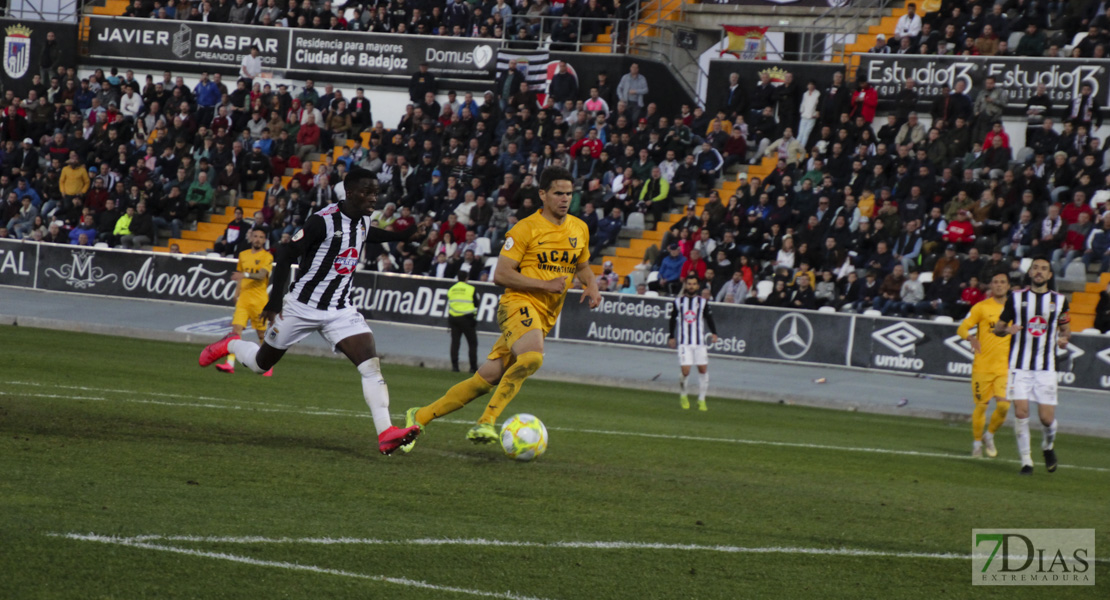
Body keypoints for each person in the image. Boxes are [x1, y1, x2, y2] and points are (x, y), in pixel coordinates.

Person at [197, 168, 423, 456]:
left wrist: (403, 234)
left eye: (376, 192)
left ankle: (386, 432)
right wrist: (275, 301)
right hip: (301, 306)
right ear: (350, 192)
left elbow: (369, 233)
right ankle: (230, 343)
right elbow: (285, 254)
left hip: (340, 309)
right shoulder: (321, 221)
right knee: (259, 364)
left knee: (370, 365)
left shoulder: (363, 219)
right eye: (368, 192)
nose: (373, 198)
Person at [401, 167, 601, 451]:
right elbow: (501, 275)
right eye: (558, 193)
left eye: (569, 193)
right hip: (517, 303)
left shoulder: (579, 228)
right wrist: (545, 286)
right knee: (532, 358)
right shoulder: (524, 229)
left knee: (484, 380)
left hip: (545, 315)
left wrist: (591, 284)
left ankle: (418, 417)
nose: (565, 199)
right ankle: (487, 420)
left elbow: (581, 265)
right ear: (543, 194)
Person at [992, 258, 1070, 475]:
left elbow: (1066, 330)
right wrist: (1007, 330)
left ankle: (1048, 446)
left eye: (1044, 269)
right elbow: (997, 328)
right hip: (1019, 367)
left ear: (1050, 275)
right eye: (1035, 268)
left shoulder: (1060, 301)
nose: (1039, 272)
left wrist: (1064, 339)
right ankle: (1026, 461)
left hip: (1046, 368)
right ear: (1030, 272)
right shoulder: (1016, 298)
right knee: (1021, 412)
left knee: (1046, 418)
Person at [956, 270, 1013, 459]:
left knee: (1004, 407)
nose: (998, 285)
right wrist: (970, 337)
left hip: (1004, 367)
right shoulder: (981, 307)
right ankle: (977, 443)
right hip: (982, 366)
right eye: (995, 282)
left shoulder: (1014, 309)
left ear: (1008, 286)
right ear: (991, 285)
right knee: (981, 407)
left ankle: (990, 435)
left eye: (1002, 282)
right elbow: (962, 327)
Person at [217, 228, 275, 376]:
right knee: (235, 332)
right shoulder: (243, 255)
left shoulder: (267, 257)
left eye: (261, 237)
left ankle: (266, 366)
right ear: (250, 238)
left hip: (259, 301)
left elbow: (262, 275)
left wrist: (245, 274)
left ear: (264, 240)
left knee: (262, 334)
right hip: (243, 299)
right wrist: (236, 293)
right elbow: (239, 276)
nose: (257, 239)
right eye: (255, 236)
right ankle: (229, 364)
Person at [668, 273, 718, 411]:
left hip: (700, 342)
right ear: (686, 285)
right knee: (686, 371)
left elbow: (709, 318)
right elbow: (672, 319)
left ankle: (701, 400)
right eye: (689, 284)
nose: (691, 286)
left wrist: (714, 333)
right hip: (685, 343)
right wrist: (671, 336)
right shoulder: (678, 301)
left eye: (693, 284)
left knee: (703, 369)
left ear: (697, 285)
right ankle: (683, 395)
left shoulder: (702, 302)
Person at [447, 269, 480, 373]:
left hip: (453, 318)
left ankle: (455, 366)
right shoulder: (470, 289)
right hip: (467, 319)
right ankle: (473, 367)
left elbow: (450, 303)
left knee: (455, 343)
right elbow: (476, 303)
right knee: (472, 343)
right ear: (467, 278)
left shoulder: (452, 289)